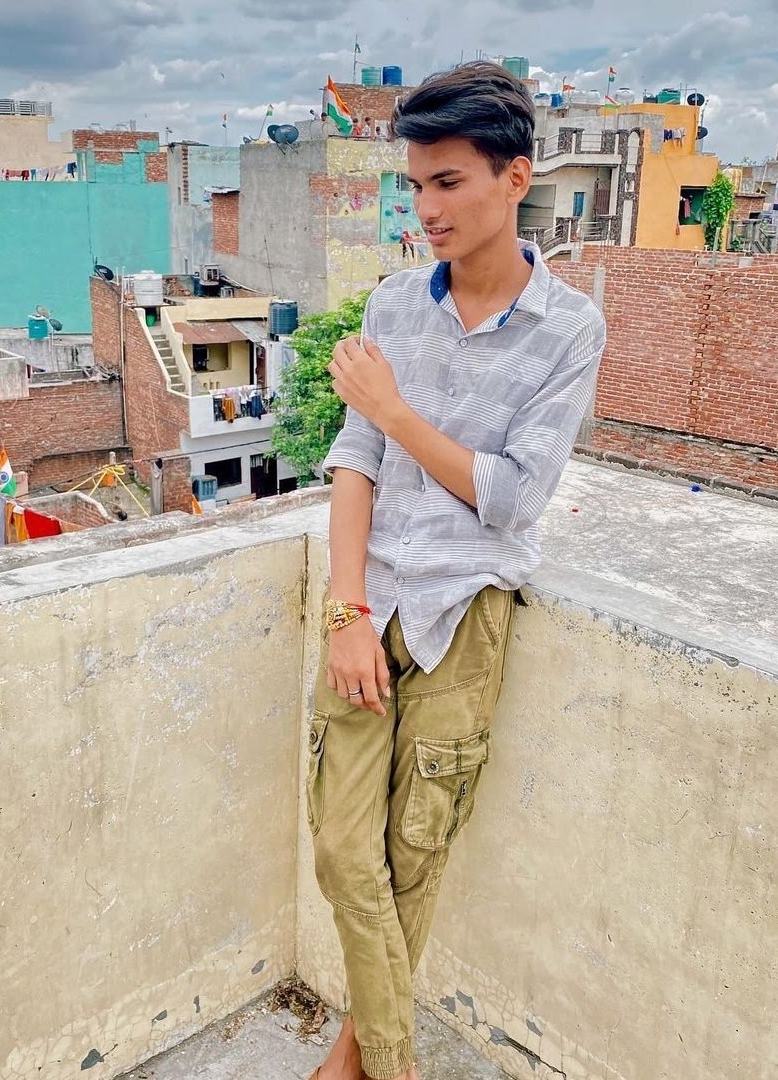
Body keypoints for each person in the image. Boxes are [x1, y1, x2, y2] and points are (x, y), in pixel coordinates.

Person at [307, 61, 606, 1080]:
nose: (425, 208)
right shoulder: (395, 304)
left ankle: (355, 1061)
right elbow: (355, 461)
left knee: (413, 854)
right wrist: (345, 610)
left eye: (448, 182)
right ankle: (392, 1066)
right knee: (341, 849)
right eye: (416, 185)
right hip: (371, 601)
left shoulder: (568, 328)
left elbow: (513, 497)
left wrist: (396, 413)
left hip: (465, 615)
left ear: (514, 178)